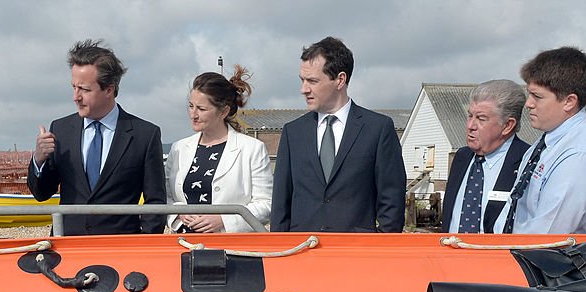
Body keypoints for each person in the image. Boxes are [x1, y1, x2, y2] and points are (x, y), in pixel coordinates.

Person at [29, 40, 166, 235]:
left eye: (84, 89)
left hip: (121, 251)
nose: (75, 97)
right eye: (74, 87)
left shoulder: (145, 135)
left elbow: (156, 204)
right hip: (68, 247)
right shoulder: (60, 129)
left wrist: (142, 249)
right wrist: (39, 160)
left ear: (109, 90)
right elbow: (41, 194)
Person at [271, 36, 406, 233]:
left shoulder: (378, 129)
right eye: (302, 80)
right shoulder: (293, 133)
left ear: (340, 80)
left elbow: (392, 201)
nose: (303, 89)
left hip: (357, 255)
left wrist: (377, 251)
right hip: (302, 253)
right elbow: (280, 205)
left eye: (312, 81)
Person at [496, 47, 586, 234]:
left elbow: (548, 234)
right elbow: (516, 205)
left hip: (544, 259)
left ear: (569, 101)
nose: (528, 104)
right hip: (516, 255)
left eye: (537, 96)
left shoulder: (580, 155)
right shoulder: (546, 143)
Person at [164, 66, 272, 233]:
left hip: (233, 249)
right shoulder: (178, 148)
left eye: (201, 109)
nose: (193, 114)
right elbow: (166, 197)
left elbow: (266, 204)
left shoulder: (252, 149)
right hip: (183, 244)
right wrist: (178, 214)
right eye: (191, 106)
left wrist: (224, 220)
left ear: (224, 111)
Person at [442, 80, 529, 233]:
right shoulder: (461, 157)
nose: (471, 126)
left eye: (481, 119)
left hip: (498, 255)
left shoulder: (527, 161)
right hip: (451, 254)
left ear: (508, 125)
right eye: (470, 116)